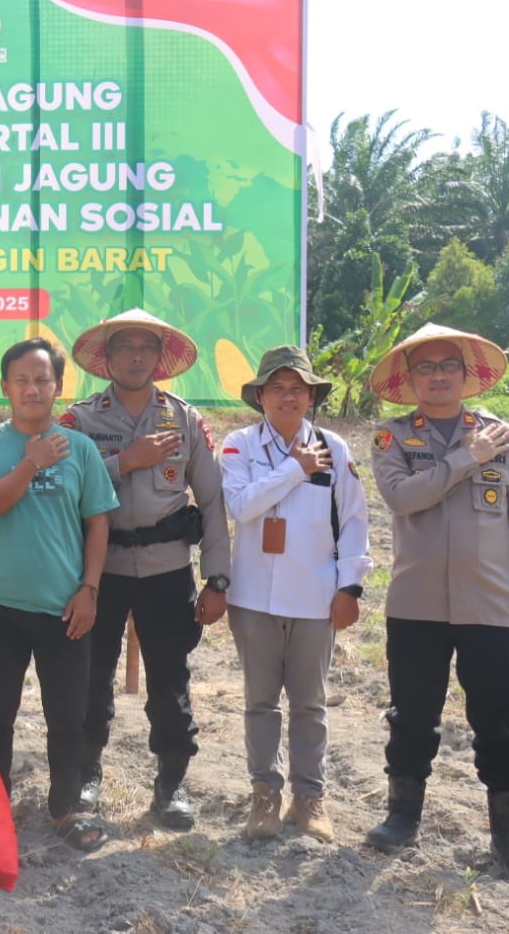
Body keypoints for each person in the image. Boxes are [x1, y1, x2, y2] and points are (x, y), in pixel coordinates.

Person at [364, 324, 509, 876]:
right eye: (427, 367)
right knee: (412, 715)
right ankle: (402, 816)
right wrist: (464, 458)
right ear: (411, 379)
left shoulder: (504, 436)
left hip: (490, 606)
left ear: (466, 376)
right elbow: (402, 498)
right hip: (415, 606)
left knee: (499, 720)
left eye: (449, 366)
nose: (439, 375)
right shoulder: (392, 438)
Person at [60, 309, 229, 828]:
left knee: (170, 680)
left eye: (146, 347)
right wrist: (124, 462)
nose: (136, 356)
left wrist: (217, 579)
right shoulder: (81, 420)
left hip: (166, 567)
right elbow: (63, 486)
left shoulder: (184, 420)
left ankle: (171, 784)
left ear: (160, 357)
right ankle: (87, 774)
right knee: (91, 676)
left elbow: (214, 501)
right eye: (125, 347)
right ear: (107, 358)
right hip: (99, 571)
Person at [0, 337, 117, 852]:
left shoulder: (83, 450)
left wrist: (90, 589)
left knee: (68, 716)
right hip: (0, 606)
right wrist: (29, 463)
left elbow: (97, 525)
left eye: (42, 379)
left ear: (58, 386)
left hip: (64, 608)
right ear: (5, 386)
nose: (32, 388)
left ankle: (66, 808)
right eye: (21, 380)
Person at [219, 346, 371, 843]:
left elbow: (353, 521)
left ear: (311, 398)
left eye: (298, 389)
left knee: (310, 704)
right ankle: (264, 793)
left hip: (314, 598)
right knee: (261, 703)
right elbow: (242, 507)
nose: (288, 397)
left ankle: (311, 798)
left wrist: (350, 586)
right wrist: (295, 468)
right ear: (259, 395)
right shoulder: (239, 446)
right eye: (278, 388)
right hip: (254, 600)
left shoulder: (335, 448)